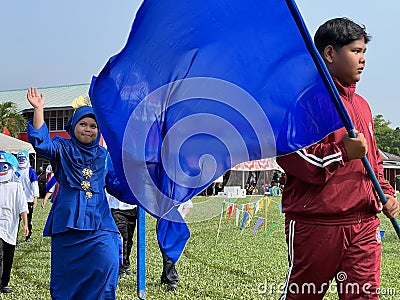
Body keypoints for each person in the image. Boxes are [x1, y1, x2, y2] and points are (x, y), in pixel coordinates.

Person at [276, 17, 398, 299]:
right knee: (304, 295)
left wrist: (386, 193)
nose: (363, 59)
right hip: (317, 224)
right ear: (329, 53)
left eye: (364, 52)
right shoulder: (303, 101)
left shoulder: (362, 106)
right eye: (356, 51)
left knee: (364, 296)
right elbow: (292, 155)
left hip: (365, 223)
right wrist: (343, 152)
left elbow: (374, 160)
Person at [27, 88, 135, 299]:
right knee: (67, 280)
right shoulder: (61, 147)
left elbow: (117, 186)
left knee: (108, 261)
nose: (88, 129)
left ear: (99, 130)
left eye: (93, 126)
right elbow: (41, 144)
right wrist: (39, 109)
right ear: (73, 126)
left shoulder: (105, 155)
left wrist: (141, 189)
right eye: (83, 124)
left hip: (100, 223)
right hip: (67, 226)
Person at [0, 151, 29, 294]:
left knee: (8, 255)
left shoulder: (16, 186)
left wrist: (25, 224)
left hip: (11, 227)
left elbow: (22, 206)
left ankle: (4, 283)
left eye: (4, 166)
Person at [158, 199, 193, 292]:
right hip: (163, 221)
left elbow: (187, 208)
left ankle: (172, 279)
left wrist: (179, 218)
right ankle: (166, 276)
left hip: (176, 224)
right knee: (164, 249)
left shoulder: (183, 191)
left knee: (169, 251)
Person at [107, 194, 137, 279]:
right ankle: (120, 268)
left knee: (129, 240)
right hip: (116, 208)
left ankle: (126, 264)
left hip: (132, 208)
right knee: (122, 239)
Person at [16, 150, 39, 242]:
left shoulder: (31, 171)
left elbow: (34, 184)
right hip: (17, 199)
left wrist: (35, 197)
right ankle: (15, 237)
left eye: (23, 158)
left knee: (28, 219)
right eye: (19, 158)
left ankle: (28, 236)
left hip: (28, 199)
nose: (21, 160)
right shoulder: (15, 170)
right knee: (16, 220)